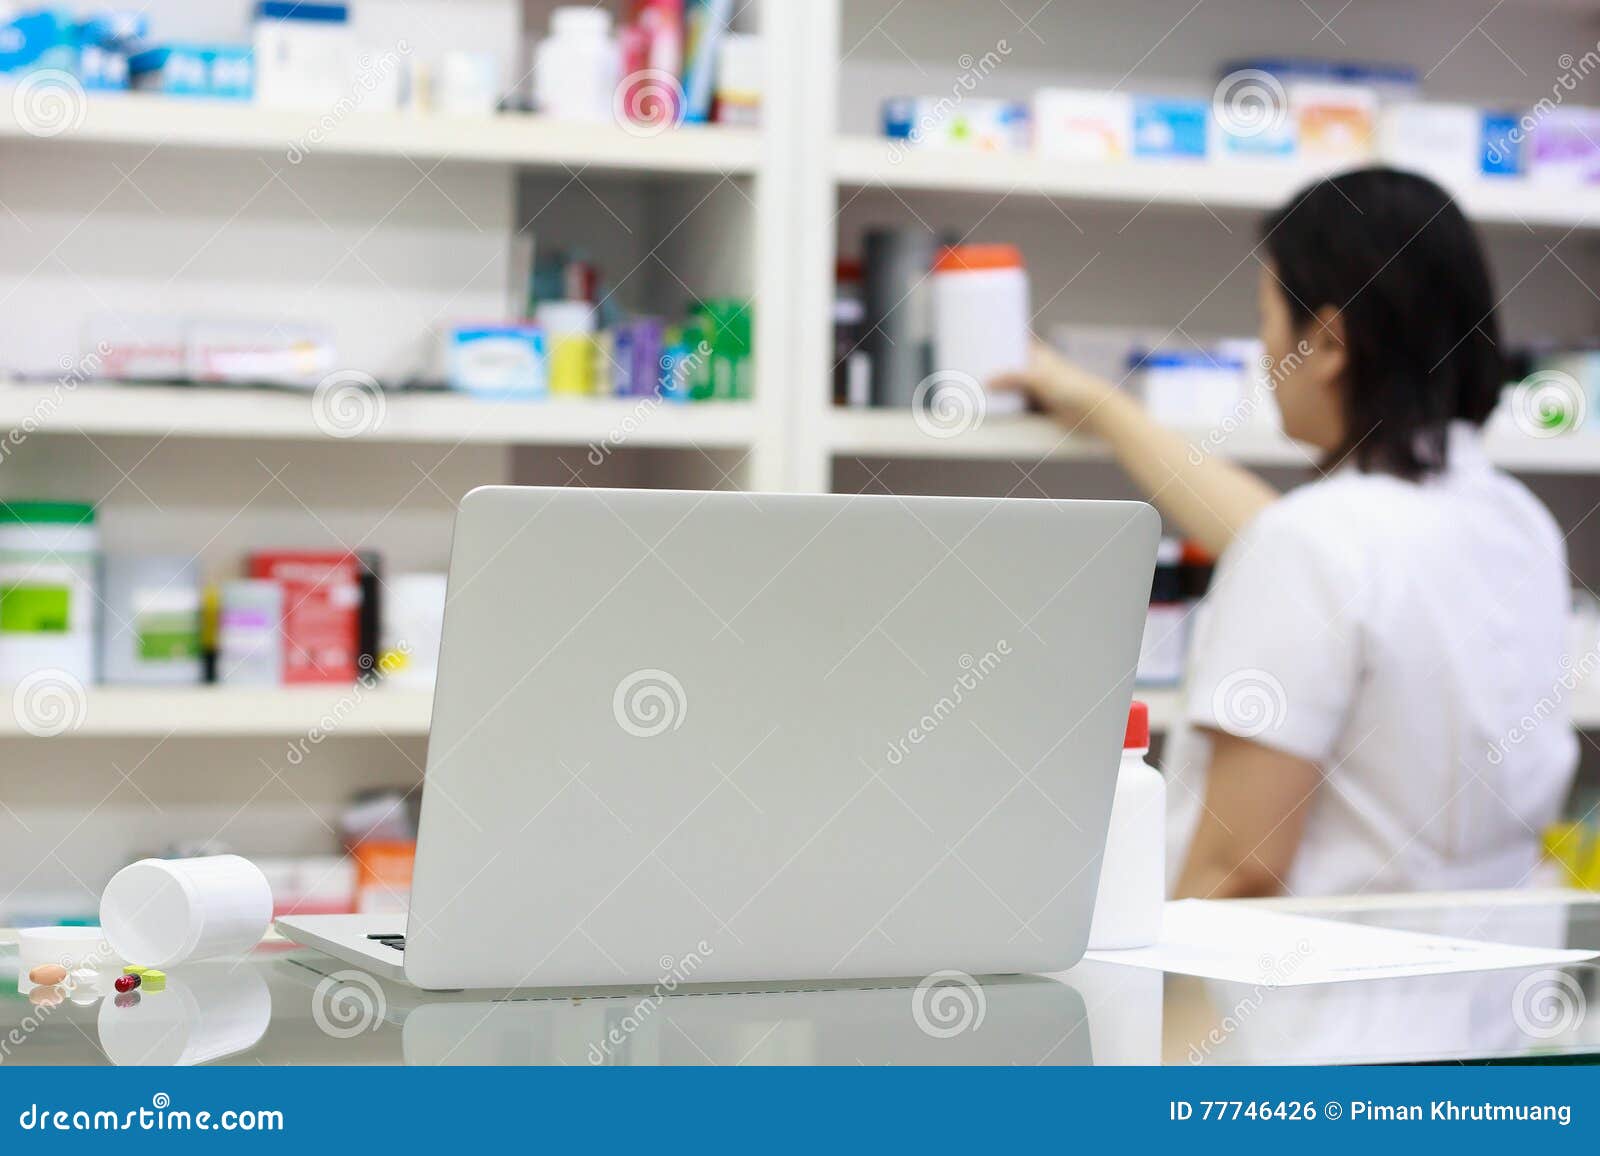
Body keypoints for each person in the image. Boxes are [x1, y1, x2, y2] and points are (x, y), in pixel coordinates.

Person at [993, 167, 1578, 899]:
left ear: (1327, 343)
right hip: (1477, 1003)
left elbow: (1240, 866)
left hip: (1306, 1006)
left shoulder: (1318, 544)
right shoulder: (1515, 521)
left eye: (1269, 316)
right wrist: (1098, 405)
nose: (1269, 354)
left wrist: (1146, 999)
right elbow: (1304, 552)